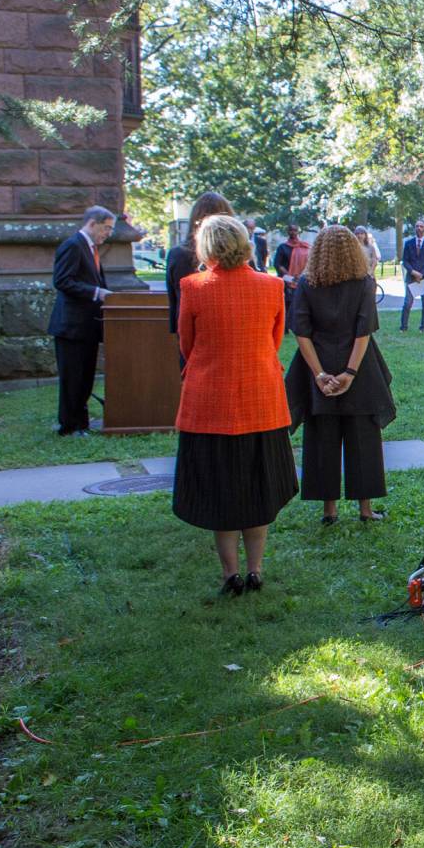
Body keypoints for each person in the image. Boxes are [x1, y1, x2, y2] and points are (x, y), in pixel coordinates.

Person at [173, 215, 298, 598]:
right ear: (244, 244)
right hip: (261, 400)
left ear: (206, 247)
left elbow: (186, 344)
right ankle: (256, 569)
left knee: (219, 491)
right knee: (259, 489)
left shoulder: (193, 287)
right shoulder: (272, 286)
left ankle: (231, 574)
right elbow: (274, 339)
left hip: (211, 405)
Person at [286, 225, 394, 526]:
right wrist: (349, 372)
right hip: (358, 365)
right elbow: (364, 331)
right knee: (364, 438)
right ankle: (365, 509)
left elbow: (301, 332)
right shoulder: (363, 282)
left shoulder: (307, 283)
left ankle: (329, 511)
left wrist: (319, 374)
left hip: (318, 362)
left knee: (321, 437)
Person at [49, 205, 116, 435]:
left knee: (85, 377)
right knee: (73, 378)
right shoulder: (73, 246)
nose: (108, 233)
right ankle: (69, 426)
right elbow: (62, 281)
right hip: (71, 327)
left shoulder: (90, 249)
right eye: (106, 228)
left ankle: (81, 423)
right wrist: (96, 293)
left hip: (87, 327)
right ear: (92, 223)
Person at [167, 191, 232, 340]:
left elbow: (175, 299)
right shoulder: (238, 256)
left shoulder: (178, 254)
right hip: (229, 326)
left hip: (193, 330)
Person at [399, 220, 424, 332]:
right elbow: (405, 260)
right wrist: (413, 272)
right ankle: (403, 327)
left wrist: (421, 274)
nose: (419, 228)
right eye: (417, 226)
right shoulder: (408, 243)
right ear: (415, 228)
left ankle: (423, 327)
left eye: (421, 226)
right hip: (411, 277)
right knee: (407, 303)